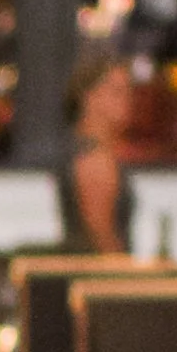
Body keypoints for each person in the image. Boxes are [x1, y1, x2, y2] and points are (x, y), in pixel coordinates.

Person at [59, 54, 138, 254]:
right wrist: (126, 275)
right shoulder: (93, 159)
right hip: (100, 278)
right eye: (117, 92)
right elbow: (102, 237)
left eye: (128, 91)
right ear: (89, 97)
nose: (127, 100)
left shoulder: (87, 151)